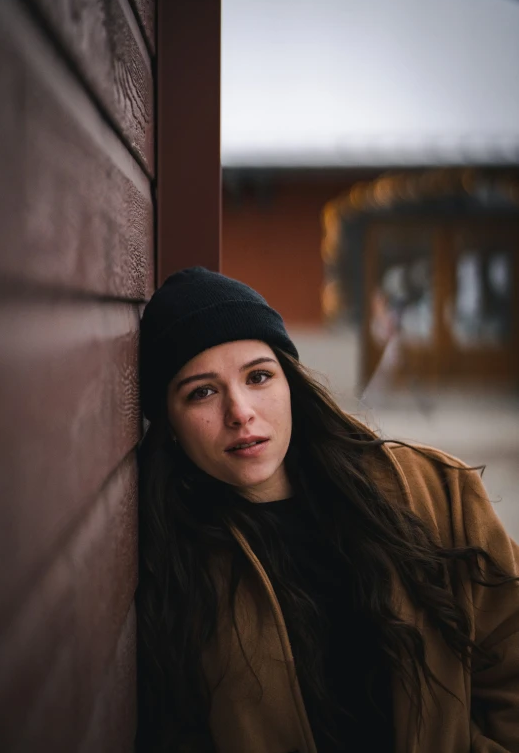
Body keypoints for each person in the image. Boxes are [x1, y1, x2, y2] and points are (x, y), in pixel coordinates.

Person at [136, 267, 519, 753]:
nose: (240, 412)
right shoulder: (173, 562)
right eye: (202, 392)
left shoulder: (433, 492)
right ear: (169, 425)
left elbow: (509, 655)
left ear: (289, 383)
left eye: (258, 376)